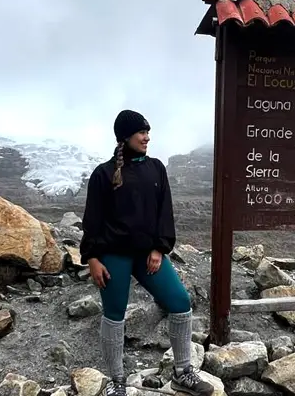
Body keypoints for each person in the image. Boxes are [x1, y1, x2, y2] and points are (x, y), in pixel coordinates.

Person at [79, 110, 213, 396]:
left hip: (147, 255)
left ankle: (183, 373)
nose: (147, 137)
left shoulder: (156, 168)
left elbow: (165, 211)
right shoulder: (103, 174)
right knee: (115, 316)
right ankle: (116, 383)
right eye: (141, 132)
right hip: (113, 255)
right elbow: (92, 220)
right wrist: (92, 258)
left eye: (148, 132)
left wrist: (159, 247)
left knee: (180, 302)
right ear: (125, 136)